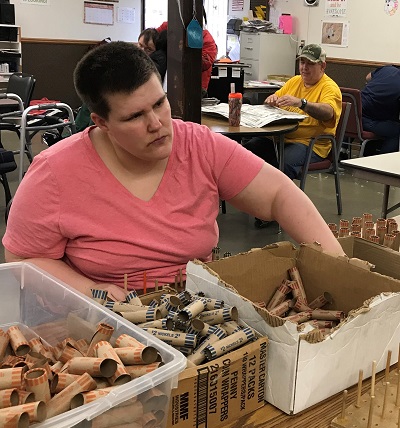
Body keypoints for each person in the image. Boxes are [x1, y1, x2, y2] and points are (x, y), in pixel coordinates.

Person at [2, 41, 344, 301]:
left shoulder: (199, 146)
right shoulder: (55, 173)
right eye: (135, 117)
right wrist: (94, 292)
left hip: (195, 308)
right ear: (101, 122)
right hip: (103, 324)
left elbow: (280, 195)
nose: (157, 124)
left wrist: (339, 268)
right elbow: (23, 258)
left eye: (159, 103)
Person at [244, 44, 342, 181]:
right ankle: (250, 196)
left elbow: (328, 113)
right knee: (246, 152)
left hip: (309, 143)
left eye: (310, 64)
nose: (304, 68)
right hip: (280, 138)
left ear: (322, 66)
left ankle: (277, 200)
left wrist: (303, 103)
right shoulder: (294, 81)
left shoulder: (329, 87)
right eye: (302, 62)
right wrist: (270, 101)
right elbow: (270, 101)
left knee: (282, 164)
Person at [156, 20, 217, 97]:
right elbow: (152, 41)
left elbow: (204, 62)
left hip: (194, 88)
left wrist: (191, 39)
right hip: (162, 81)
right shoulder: (168, 26)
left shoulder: (204, 36)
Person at [361, 65, 400, 154]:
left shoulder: (387, 68)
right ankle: (383, 161)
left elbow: (367, 77)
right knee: (396, 131)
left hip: (351, 118)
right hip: (366, 121)